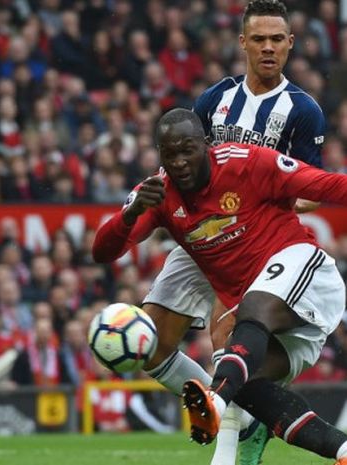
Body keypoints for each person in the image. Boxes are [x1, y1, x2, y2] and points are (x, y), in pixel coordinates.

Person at [93, 108, 347, 465]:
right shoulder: (157, 194)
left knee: (251, 314)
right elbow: (102, 251)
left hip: (304, 273)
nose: (179, 161)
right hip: (263, 326)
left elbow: (326, 185)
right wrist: (128, 215)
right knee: (250, 391)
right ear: (159, 155)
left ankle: (215, 400)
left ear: (206, 145)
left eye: (188, 149)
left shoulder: (248, 163)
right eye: (170, 153)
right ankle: (341, 450)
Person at [136, 2, 327, 464]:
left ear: (289, 44)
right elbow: (182, 163)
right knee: (150, 344)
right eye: (258, 38)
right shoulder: (213, 100)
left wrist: (257, 205)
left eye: (277, 39)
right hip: (199, 233)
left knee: (230, 344)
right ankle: (237, 407)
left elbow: (313, 192)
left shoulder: (303, 111)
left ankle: (229, 448)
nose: (268, 48)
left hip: (252, 240)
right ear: (243, 42)